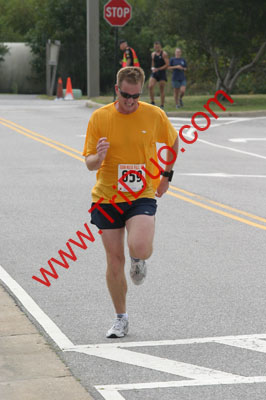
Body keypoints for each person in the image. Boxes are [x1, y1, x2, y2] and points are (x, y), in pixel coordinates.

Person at [83, 67, 178, 338]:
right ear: (117, 90)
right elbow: (89, 163)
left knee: (139, 246)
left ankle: (139, 259)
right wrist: (98, 158)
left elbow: (173, 143)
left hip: (141, 194)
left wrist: (166, 176)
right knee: (114, 260)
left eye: (135, 97)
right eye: (126, 95)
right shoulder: (100, 118)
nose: (131, 102)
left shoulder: (153, 114)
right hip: (107, 197)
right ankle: (121, 318)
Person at [148, 41, 169, 109]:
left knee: (161, 88)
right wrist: (152, 68)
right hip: (155, 72)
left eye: (158, 46)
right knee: (150, 86)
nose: (156, 47)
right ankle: (152, 102)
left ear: (160, 46)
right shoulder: (153, 54)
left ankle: (162, 105)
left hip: (161, 72)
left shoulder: (164, 54)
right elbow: (153, 62)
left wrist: (159, 69)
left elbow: (167, 64)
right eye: (155, 46)